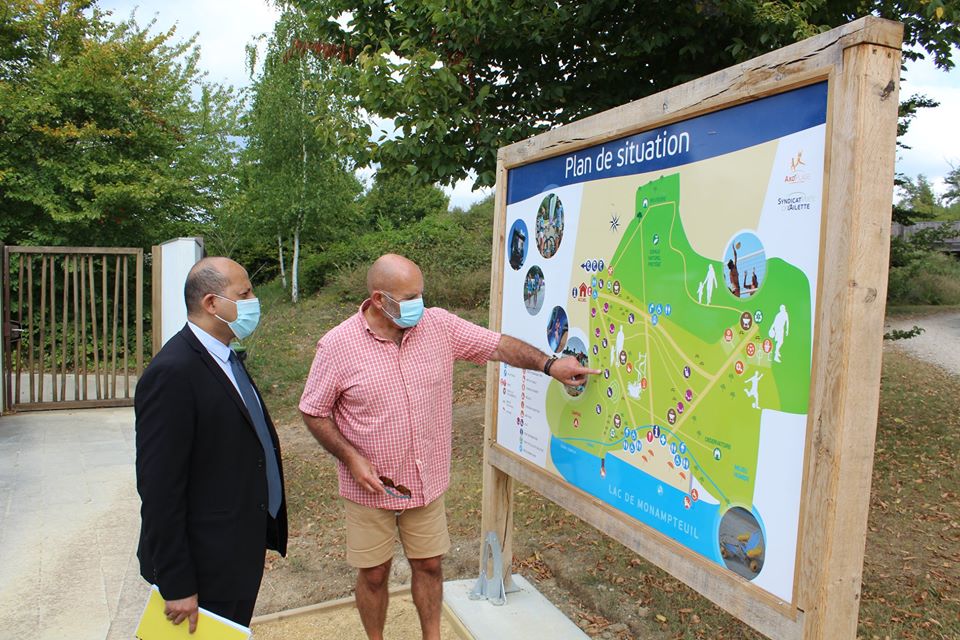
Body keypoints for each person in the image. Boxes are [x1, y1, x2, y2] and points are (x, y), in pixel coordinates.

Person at [299, 253, 598, 640]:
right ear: (378, 300)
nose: (419, 304)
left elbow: (498, 346)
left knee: (430, 566)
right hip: (369, 487)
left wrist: (549, 365)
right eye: (410, 298)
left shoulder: (438, 325)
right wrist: (351, 458)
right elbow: (313, 411)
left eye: (421, 294)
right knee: (373, 574)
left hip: (425, 482)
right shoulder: (337, 346)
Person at [135, 257, 287, 631]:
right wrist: (177, 582)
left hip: (235, 551)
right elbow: (159, 488)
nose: (254, 301)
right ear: (212, 303)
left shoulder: (224, 357)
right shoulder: (173, 372)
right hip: (204, 565)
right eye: (244, 294)